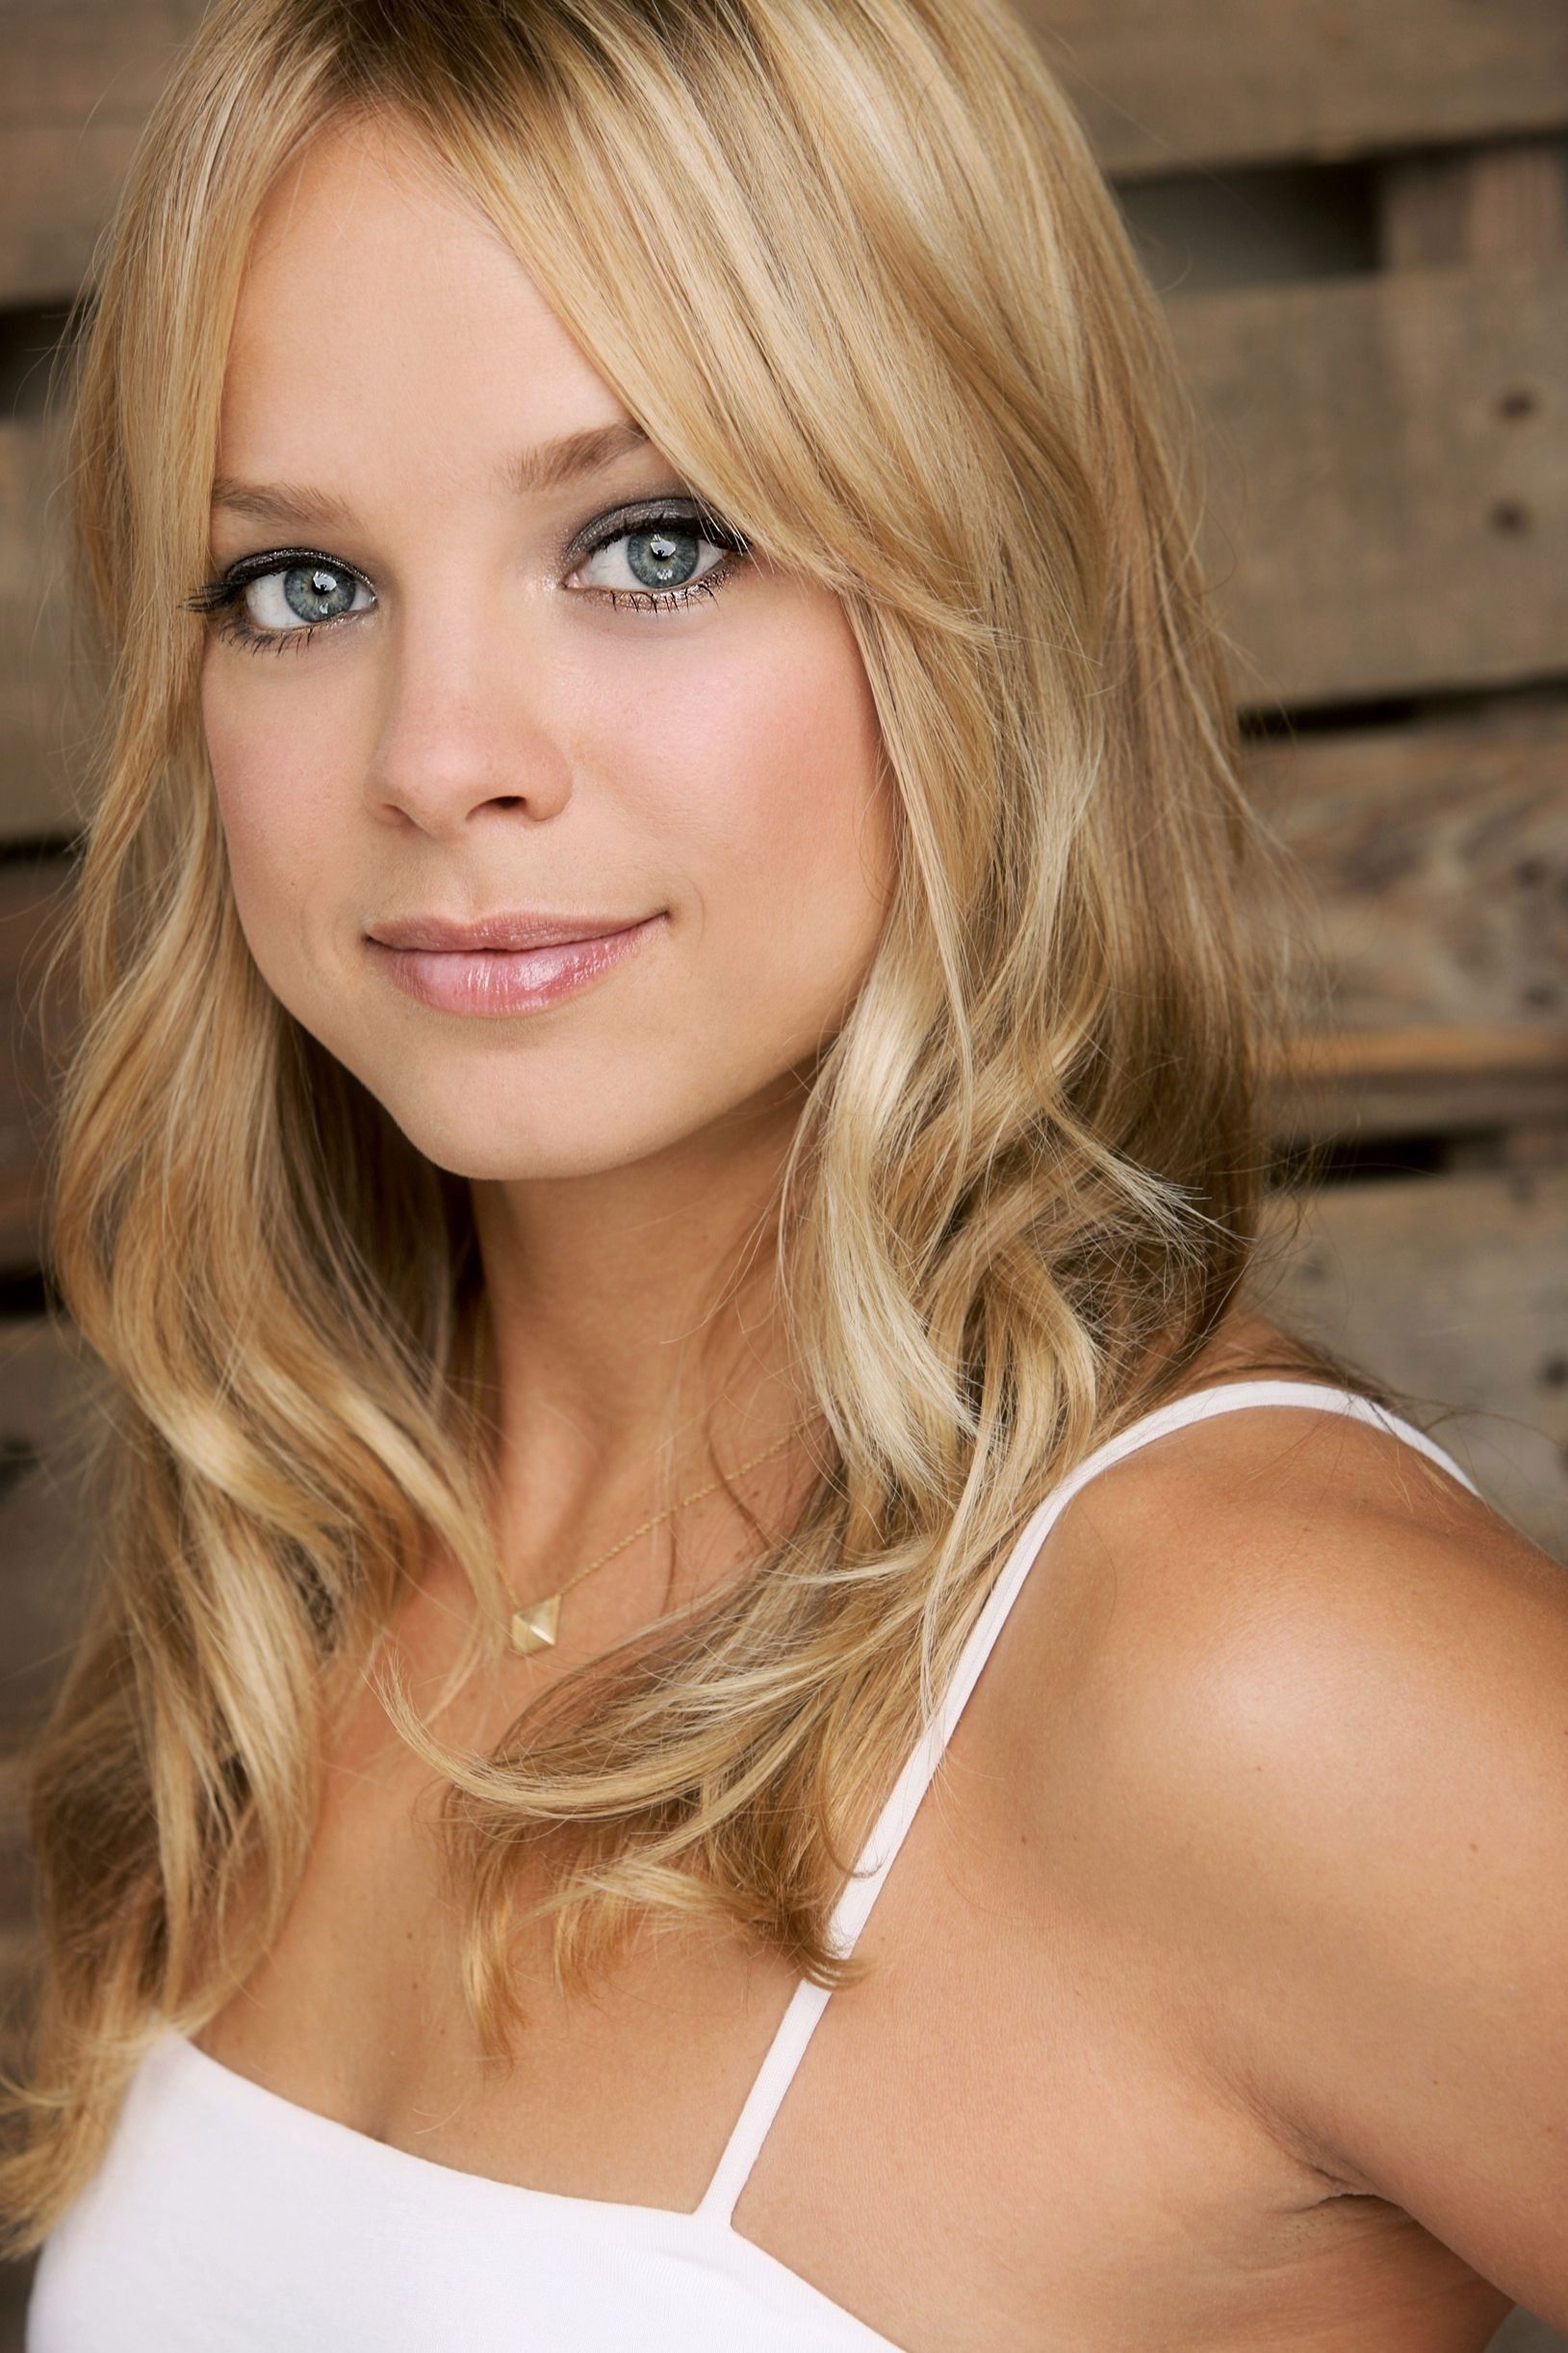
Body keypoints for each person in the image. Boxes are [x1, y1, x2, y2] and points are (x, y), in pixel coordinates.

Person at [5, 0, 1565, 2345]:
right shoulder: (297, 1569)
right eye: (300, 588)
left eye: (650, 543)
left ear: (979, 587)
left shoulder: (1255, 1674)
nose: (439, 757)